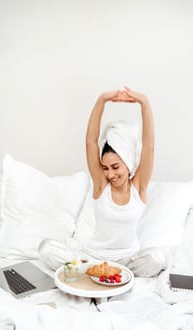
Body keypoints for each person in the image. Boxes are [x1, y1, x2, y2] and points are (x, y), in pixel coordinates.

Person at [39, 87, 166, 277]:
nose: (110, 174)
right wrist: (102, 100)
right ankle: (94, 271)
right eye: (105, 168)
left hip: (126, 261)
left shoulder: (138, 188)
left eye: (115, 167)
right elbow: (91, 141)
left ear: (128, 162)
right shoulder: (101, 186)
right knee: (46, 248)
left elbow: (149, 145)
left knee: (157, 258)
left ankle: (114, 274)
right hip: (92, 258)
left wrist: (144, 102)